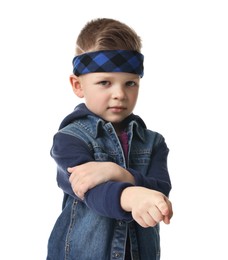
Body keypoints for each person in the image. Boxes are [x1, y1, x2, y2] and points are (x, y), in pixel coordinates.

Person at [47, 18, 173, 260]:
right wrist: (133, 195)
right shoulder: (69, 139)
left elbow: (161, 192)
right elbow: (91, 191)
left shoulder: (154, 142)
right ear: (78, 85)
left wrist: (116, 172)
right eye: (104, 82)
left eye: (130, 83)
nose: (120, 94)